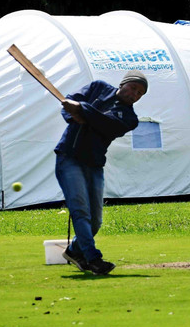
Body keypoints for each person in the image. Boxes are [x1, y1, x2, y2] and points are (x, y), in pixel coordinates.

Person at [54, 70, 147, 275]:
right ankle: (93, 259)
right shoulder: (98, 87)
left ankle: (74, 251)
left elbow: (106, 124)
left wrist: (83, 109)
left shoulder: (130, 118)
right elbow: (69, 102)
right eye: (133, 88)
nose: (134, 94)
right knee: (80, 210)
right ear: (123, 83)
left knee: (95, 221)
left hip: (94, 165)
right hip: (69, 158)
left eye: (140, 93)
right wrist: (74, 115)